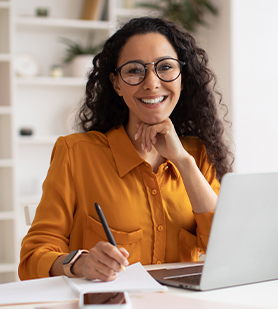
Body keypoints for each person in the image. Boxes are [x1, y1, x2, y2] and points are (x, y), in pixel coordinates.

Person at [18, 17, 232, 282]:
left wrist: (183, 161)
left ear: (182, 78)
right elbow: (33, 257)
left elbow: (229, 251)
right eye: (134, 70)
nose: (152, 82)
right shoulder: (75, 154)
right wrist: (81, 263)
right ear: (116, 83)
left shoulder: (196, 155)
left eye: (165, 67)